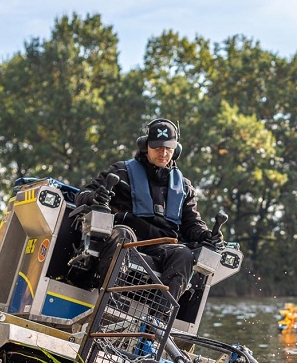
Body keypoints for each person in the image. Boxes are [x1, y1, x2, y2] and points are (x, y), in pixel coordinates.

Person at [76, 118, 222, 298]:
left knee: (183, 254)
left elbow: (192, 224)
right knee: (122, 235)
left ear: (176, 150)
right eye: (158, 147)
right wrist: (95, 197)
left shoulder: (184, 187)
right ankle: (111, 300)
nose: (164, 153)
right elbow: (82, 195)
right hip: (127, 237)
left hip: (161, 247)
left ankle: (162, 313)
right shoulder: (121, 172)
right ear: (145, 146)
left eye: (169, 148)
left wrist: (207, 235)